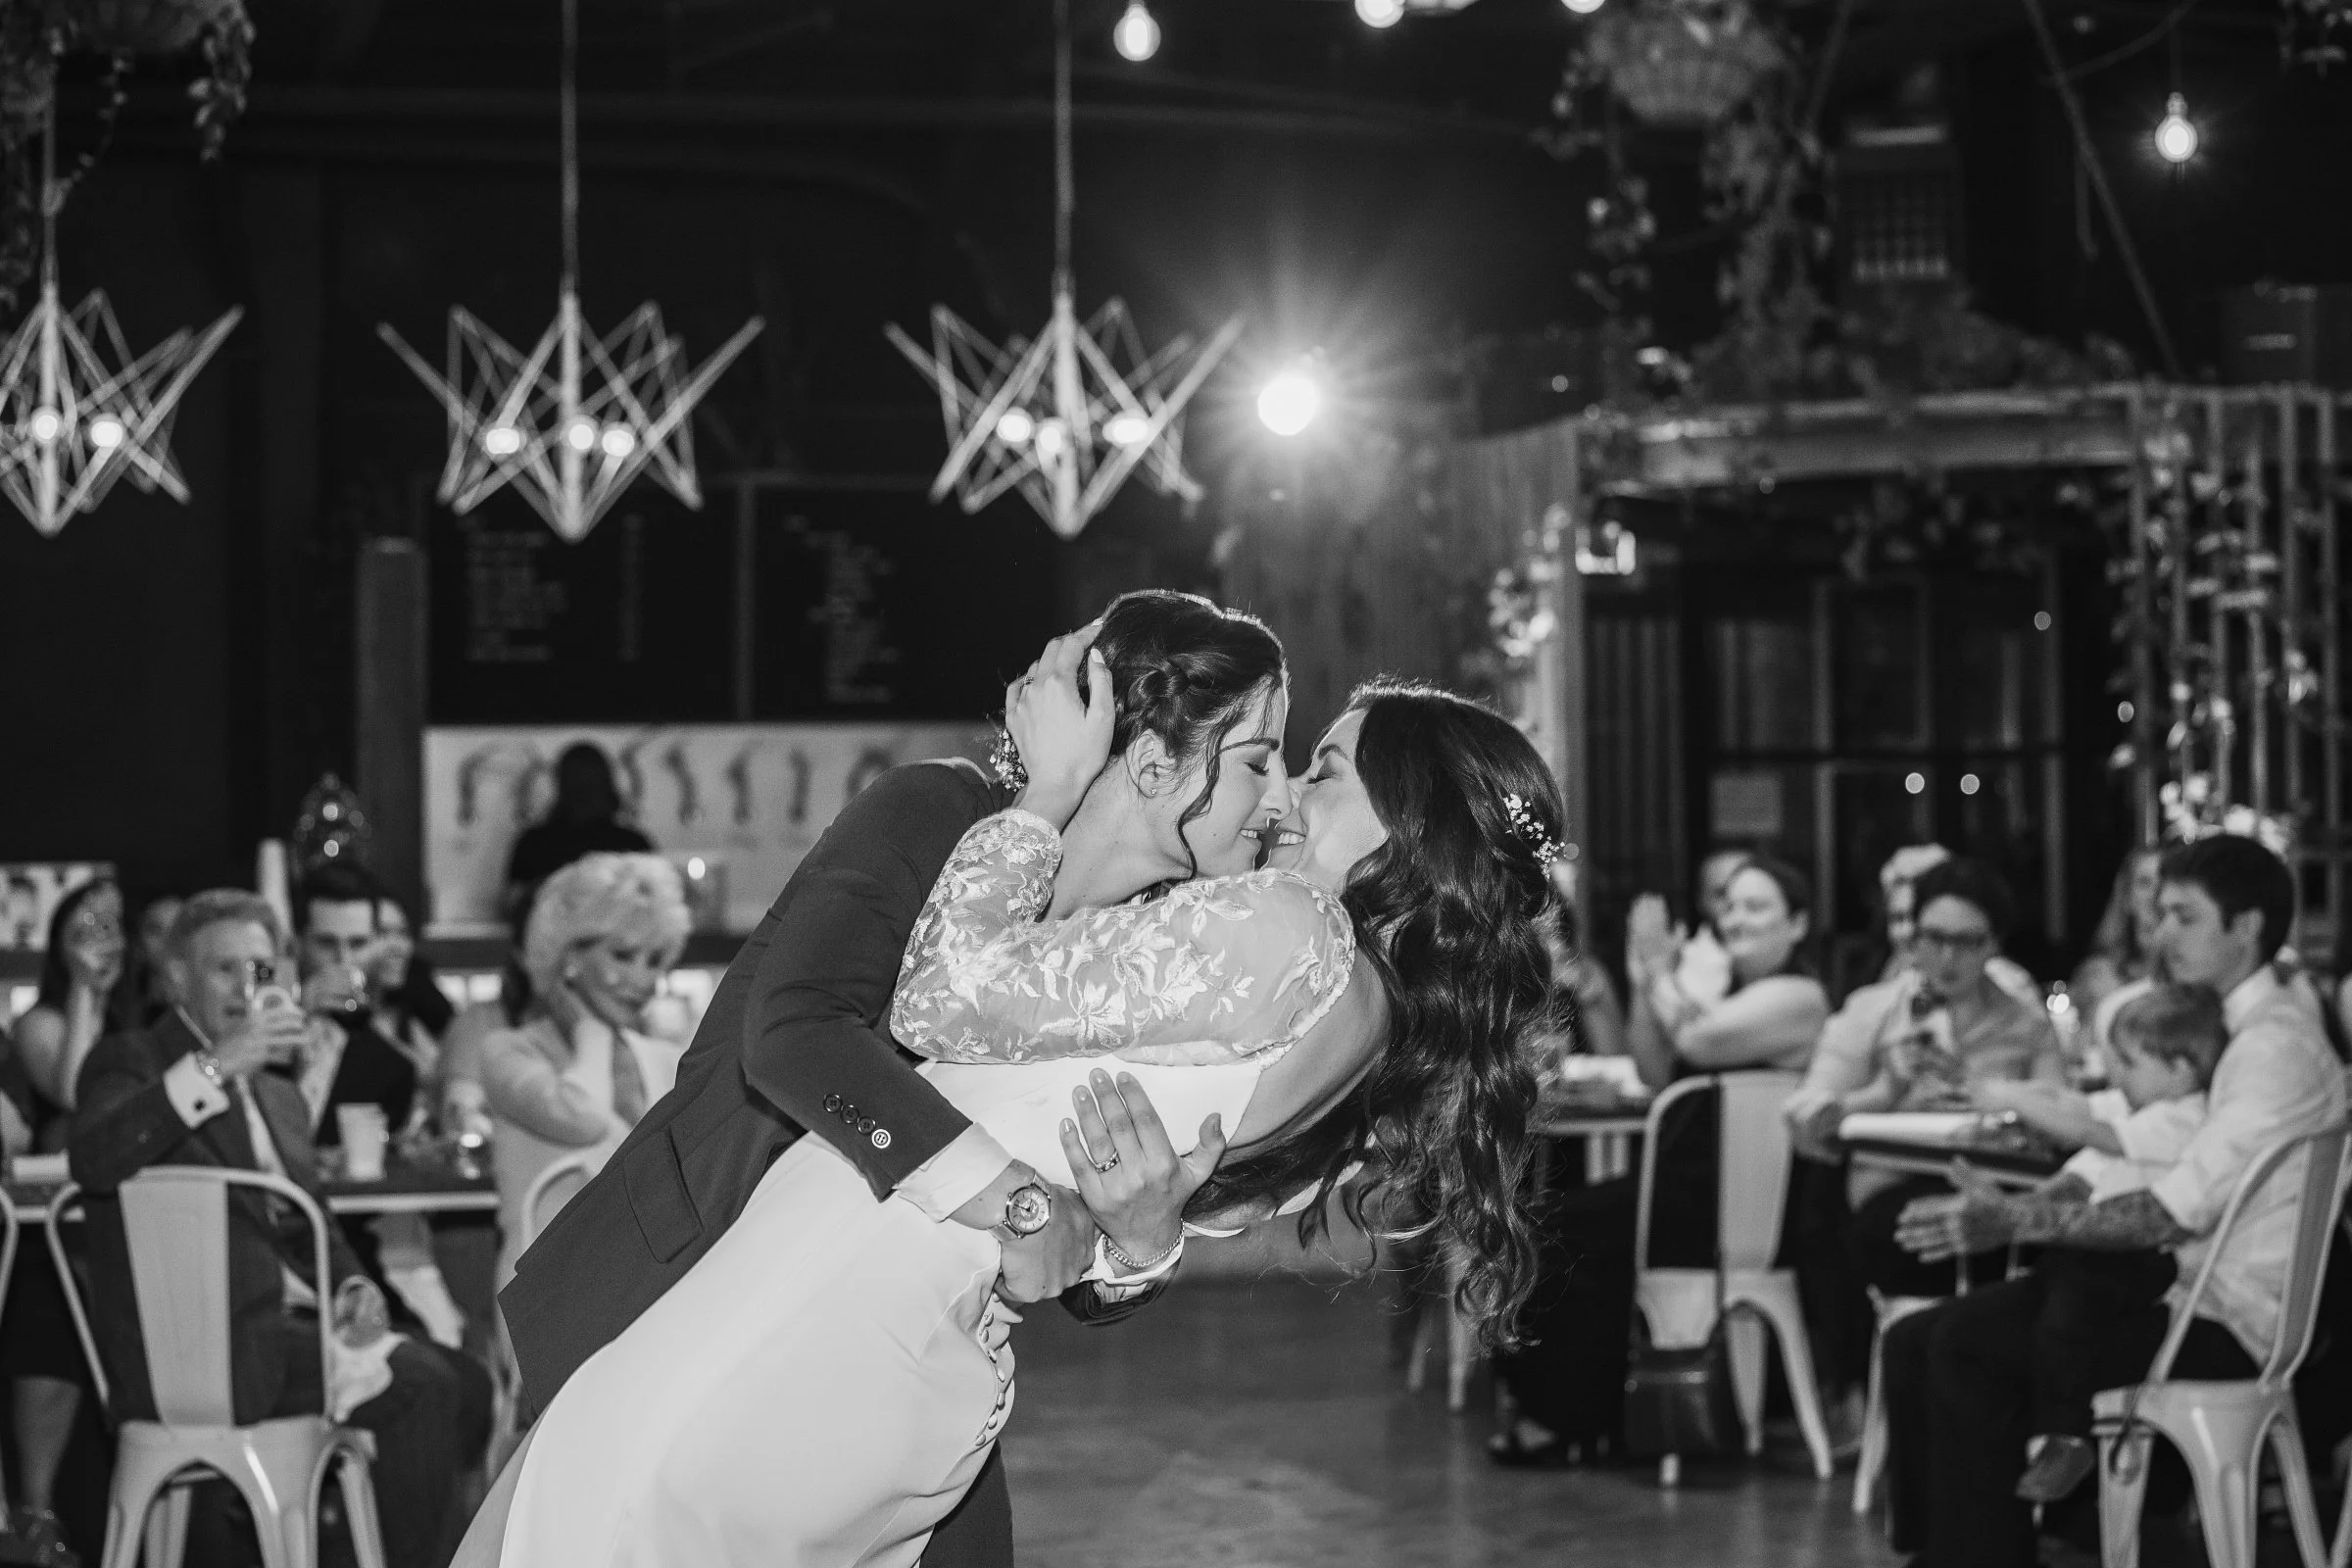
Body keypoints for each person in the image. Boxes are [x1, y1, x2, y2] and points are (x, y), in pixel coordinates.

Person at [483, 636, 1559, 1566]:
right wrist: (1120, 1236)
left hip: (818, 1322)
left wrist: (1040, 802)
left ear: (1406, 830)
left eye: (1314, 767)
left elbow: (943, 997)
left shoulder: (1288, 934)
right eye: (1263, 760)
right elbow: (809, 1040)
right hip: (848, 1331)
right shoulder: (1356, 1046)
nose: (1280, 797)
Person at [1879, 834, 2347, 1568]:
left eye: (2183, 915)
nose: (2160, 933)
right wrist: (2031, 1202)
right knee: (1915, 1339)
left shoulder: (2271, 1049)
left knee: (1965, 1346)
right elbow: (2126, 1138)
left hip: (2223, 1315)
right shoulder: (2223, 1024)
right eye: (2159, 914)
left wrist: (2013, 1219)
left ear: (2248, 926)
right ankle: (1941, 1549)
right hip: (2170, 1286)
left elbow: (2170, 1212)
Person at [67, 892, 494, 1568]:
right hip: (188, 1349)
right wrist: (214, 1066)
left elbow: (307, 1224)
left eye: (260, 971)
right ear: (177, 977)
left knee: (469, 1381)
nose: (246, 989)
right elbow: (93, 1157)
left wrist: (354, 1286)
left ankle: (349, 1545)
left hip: (287, 1325)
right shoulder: (132, 1059)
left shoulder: (277, 1093)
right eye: (224, 970)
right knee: (425, 1385)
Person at [1490, 854, 1829, 1464]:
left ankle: (1566, 1419)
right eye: (1729, 904)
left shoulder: (1798, 996)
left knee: (1566, 1227)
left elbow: (1697, 1040)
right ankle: (1574, 1414)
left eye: (1757, 906)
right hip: (1687, 1190)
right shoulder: (1724, 990)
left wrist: (1655, 974)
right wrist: (1647, 980)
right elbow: (1653, 1069)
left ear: (1799, 924)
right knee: (1549, 1220)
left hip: (1738, 1211)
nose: (1736, 918)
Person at [1969, 983, 2224, 1504]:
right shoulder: (2146, 1112)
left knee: (2067, 1316)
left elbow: (2096, 1134)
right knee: (2056, 1301)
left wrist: (2014, 1096)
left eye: (2129, 1064)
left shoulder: (2182, 1117)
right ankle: (2055, 1435)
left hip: (2141, 1259)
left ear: (2179, 1070)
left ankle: (2064, 1432)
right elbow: (2081, 1163)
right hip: (2106, 1257)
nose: (2118, 1079)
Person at [1783, 858, 2064, 1298]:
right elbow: (1806, 1124)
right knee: (1913, 1231)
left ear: (1994, 945)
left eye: (1967, 942)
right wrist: (1885, 1092)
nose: (1947, 957)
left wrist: (1994, 1098)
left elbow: (2059, 1123)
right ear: (1912, 939)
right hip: (1890, 1190)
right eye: (1934, 938)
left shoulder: (2024, 1023)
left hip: (1996, 1188)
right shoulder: (1874, 1010)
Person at [4, 879, 135, 1563]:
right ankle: (38, 1513)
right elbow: (71, 1091)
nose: (100, 940)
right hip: (53, 1226)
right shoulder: (41, 1020)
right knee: (48, 1298)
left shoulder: (151, 1028)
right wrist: (89, 992)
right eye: (83, 927)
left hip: (134, 1225)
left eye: (112, 926)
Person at [483, 854, 691, 1287]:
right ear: (569, 958)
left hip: (651, 1296)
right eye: (622, 955)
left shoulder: (670, 1061)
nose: (642, 979)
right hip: (545, 1303)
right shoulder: (509, 1054)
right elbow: (585, 1117)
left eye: (655, 961)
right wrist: (591, 1028)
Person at [291, 864, 422, 1147]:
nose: (344, 960)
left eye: (358, 943)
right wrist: (299, 1010)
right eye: (326, 943)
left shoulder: (392, 1068)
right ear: (298, 943)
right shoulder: (252, 1029)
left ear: (377, 945)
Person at [503, 745, 653, 927]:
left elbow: (656, 905)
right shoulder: (533, 843)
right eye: (577, 784)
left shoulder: (632, 843)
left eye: (590, 783)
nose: (584, 793)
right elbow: (510, 906)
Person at [2073, 846, 2161, 1027]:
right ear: (2126, 896)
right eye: (2145, 883)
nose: (2155, 894)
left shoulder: (2192, 974)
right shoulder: (2099, 974)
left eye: (2163, 883)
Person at [368, 891, 454, 1074]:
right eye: (382, 933)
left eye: (403, 933)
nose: (397, 946)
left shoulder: (407, 1009)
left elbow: (436, 1074)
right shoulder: (345, 1018)